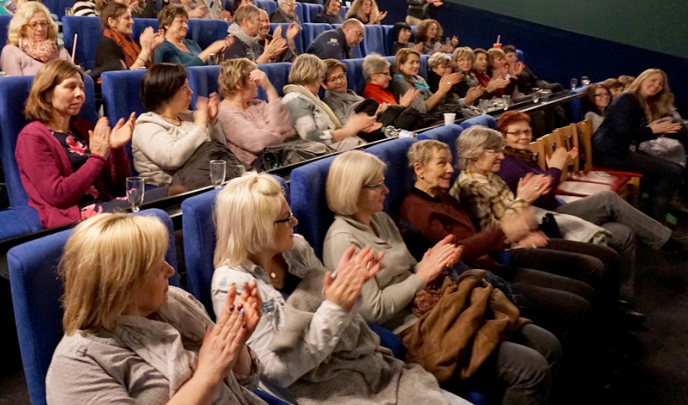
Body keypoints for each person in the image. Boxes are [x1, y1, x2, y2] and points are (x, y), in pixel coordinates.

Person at [324, 151, 559, 405]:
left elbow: (412, 267)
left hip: (438, 308)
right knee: (531, 369)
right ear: (352, 190)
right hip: (414, 330)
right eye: (377, 185)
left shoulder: (380, 218)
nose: (387, 190)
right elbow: (372, 310)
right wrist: (422, 276)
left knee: (547, 344)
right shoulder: (342, 240)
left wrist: (431, 264)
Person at [211, 173, 466, 405]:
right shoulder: (232, 285)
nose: (296, 221)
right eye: (286, 219)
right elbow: (278, 372)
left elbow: (345, 315)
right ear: (259, 229)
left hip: (354, 362)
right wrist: (335, 306)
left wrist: (348, 290)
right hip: (314, 387)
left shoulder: (296, 249)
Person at [45, 212, 266, 405]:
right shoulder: (79, 362)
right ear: (123, 283)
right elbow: (213, 375)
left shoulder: (176, 302)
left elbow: (247, 385)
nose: (170, 271)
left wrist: (236, 343)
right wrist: (207, 375)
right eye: (157, 267)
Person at [449, 126, 628, 321]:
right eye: (495, 152)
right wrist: (524, 201)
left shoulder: (491, 176)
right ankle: (607, 321)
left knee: (608, 255)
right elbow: (494, 233)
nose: (501, 156)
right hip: (510, 251)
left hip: (525, 238)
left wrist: (525, 213)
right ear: (475, 155)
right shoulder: (469, 186)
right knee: (592, 266)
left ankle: (614, 312)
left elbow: (518, 217)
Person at [497, 111, 677, 298]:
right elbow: (542, 196)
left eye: (527, 131)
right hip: (547, 218)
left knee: (624, 233)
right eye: (516, 133)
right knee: (608, 199)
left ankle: (623, 296)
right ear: (503, 136)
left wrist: (560, 165)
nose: (523, 137)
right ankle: (668, 243)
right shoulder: (507, 164)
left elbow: (544, 189)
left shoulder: (521, 155)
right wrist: (556, 168)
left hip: (557, 208)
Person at [15, 60, 136, 228]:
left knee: (173, 196)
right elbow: (58, 196)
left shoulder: (84, 128)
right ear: (47, 93)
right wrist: (97, 158)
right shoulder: (32, 137)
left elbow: (116, 187)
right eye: (70, 87)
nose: (80, 94)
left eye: (81, 88)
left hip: (106, 205)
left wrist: (115, 149)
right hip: (74, 216)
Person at [593, 69, 688, 220]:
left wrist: (657, 131)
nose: (657, 85)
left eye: (660, 84)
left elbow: (634, 135)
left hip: (618, 151)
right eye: (653, 80)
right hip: (608, 154)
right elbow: (621, 134)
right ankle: (655, 222)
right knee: (672, 172)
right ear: (642, 80)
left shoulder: (639, 101)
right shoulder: (627, 99)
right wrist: (651, 130)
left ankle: (654, 213)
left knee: (675, 167)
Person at [132, 63, 234, 189]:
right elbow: (171, 158)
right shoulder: (146, 126)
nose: (191, 92)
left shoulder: (189, 116)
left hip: (204, 181)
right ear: (167, 93)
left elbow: (219, 150)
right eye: (184, 88)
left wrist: (212, 122)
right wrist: (200, 126)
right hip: (168, 191)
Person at [282, 54, 377, 150]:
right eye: (321, 77)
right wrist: (347, 131)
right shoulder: (295, 99)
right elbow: (310, 137)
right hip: (316, 152)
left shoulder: (311, 97)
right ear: (313, 76)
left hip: (333, 147)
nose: (320, 82)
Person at [217, 58, 295, 167]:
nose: (258, 84)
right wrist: (282, 137)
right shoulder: (223, 112)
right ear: (238, 84)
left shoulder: (257, 104)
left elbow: (283, 126)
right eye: (253, 79)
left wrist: (269, 88)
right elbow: (260, 143)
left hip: (278, 161)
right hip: (253, 171)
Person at [322, 59, 425, 139]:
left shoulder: (353, 94)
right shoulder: (330, 101)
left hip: (378, 122)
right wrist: (376, 115)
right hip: (367, 131)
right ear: (324, 84)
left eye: (341, 76)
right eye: (333, 79)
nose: (339, 82)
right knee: (407, 112)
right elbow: (346, 126)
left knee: (412, 115)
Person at [92, 1, 164, 78]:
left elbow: (145, 67)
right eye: (127, 18)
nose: (132, 22)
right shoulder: (106, 44)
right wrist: (145, 50)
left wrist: (151, 48)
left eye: (131, 18)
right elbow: (123, 77)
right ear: (112, 22)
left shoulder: (129, 41)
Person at [387, 49, 462, 121]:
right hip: (423, 121)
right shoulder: (400, 83)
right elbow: (422, 109)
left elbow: (437, 102)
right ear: (401, 65)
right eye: (411, 62)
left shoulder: (418, 79)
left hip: (435, 115)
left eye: (417, 62)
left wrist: (444, 88)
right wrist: (441, 91)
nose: (416, 66)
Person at [0, 1, 72, 76]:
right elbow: (15, 86)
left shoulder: (61, 52)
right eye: (34, 25)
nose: (40, 29)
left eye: (43, 23)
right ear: (21, 28)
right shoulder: (11, 52)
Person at [154, 5, 232, 67]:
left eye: (186, 22)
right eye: (180, 22)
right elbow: (178, 73)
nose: (185, 26)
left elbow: (206, 66)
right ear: (167, 25)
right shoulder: (163, 47)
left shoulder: (192, 44)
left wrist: (220, 55)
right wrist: (209, 51)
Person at [223, 4, 287, 64]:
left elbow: (258, 64)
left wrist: (271, 57)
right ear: (246, 22)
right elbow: (239, 73)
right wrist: (266, 55)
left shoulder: (253, 40)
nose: (261, 24)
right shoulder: (233, 44)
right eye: (259, 20)